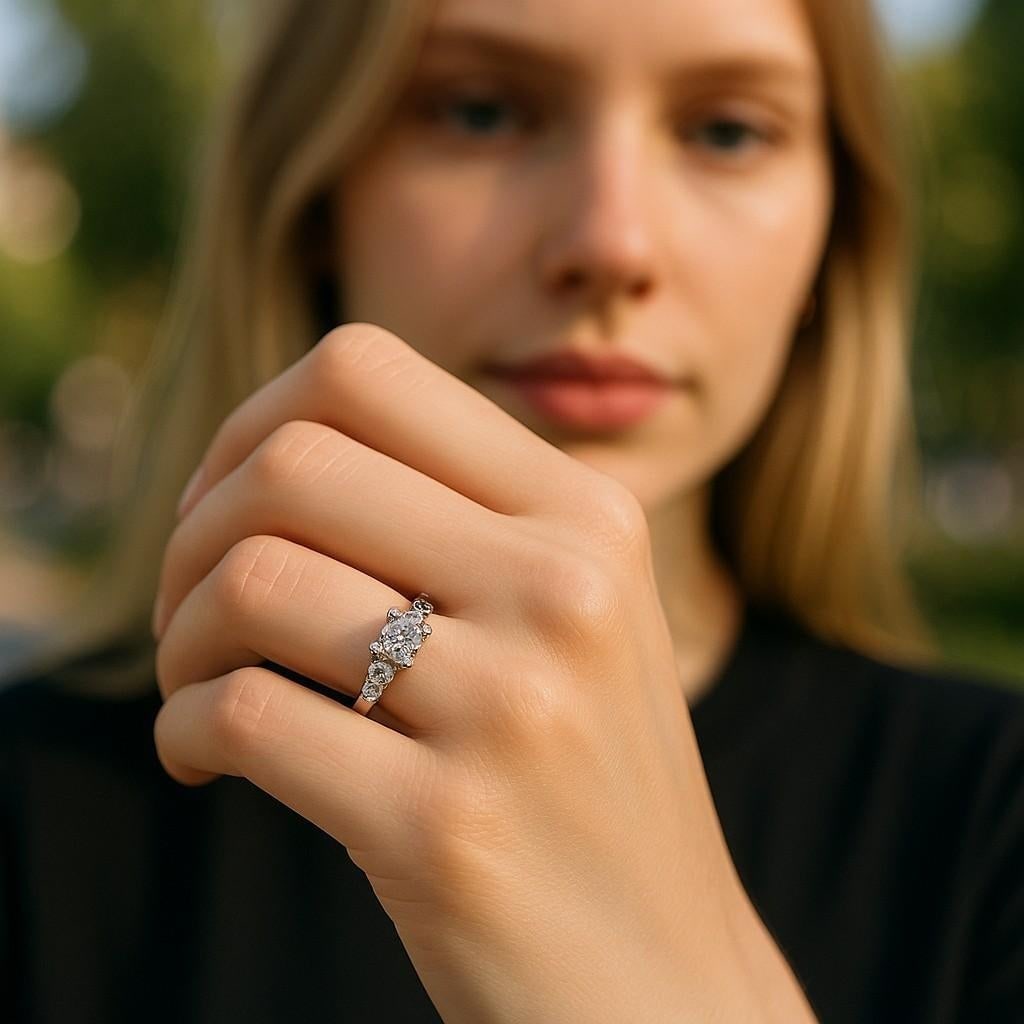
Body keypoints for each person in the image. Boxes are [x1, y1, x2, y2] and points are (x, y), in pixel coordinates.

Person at [1, 0, 1022, 1020]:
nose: (611, 243)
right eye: (481, 111)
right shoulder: (37, 804)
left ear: (833, 231)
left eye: (727, 131)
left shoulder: (992, 819)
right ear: (313, 201)